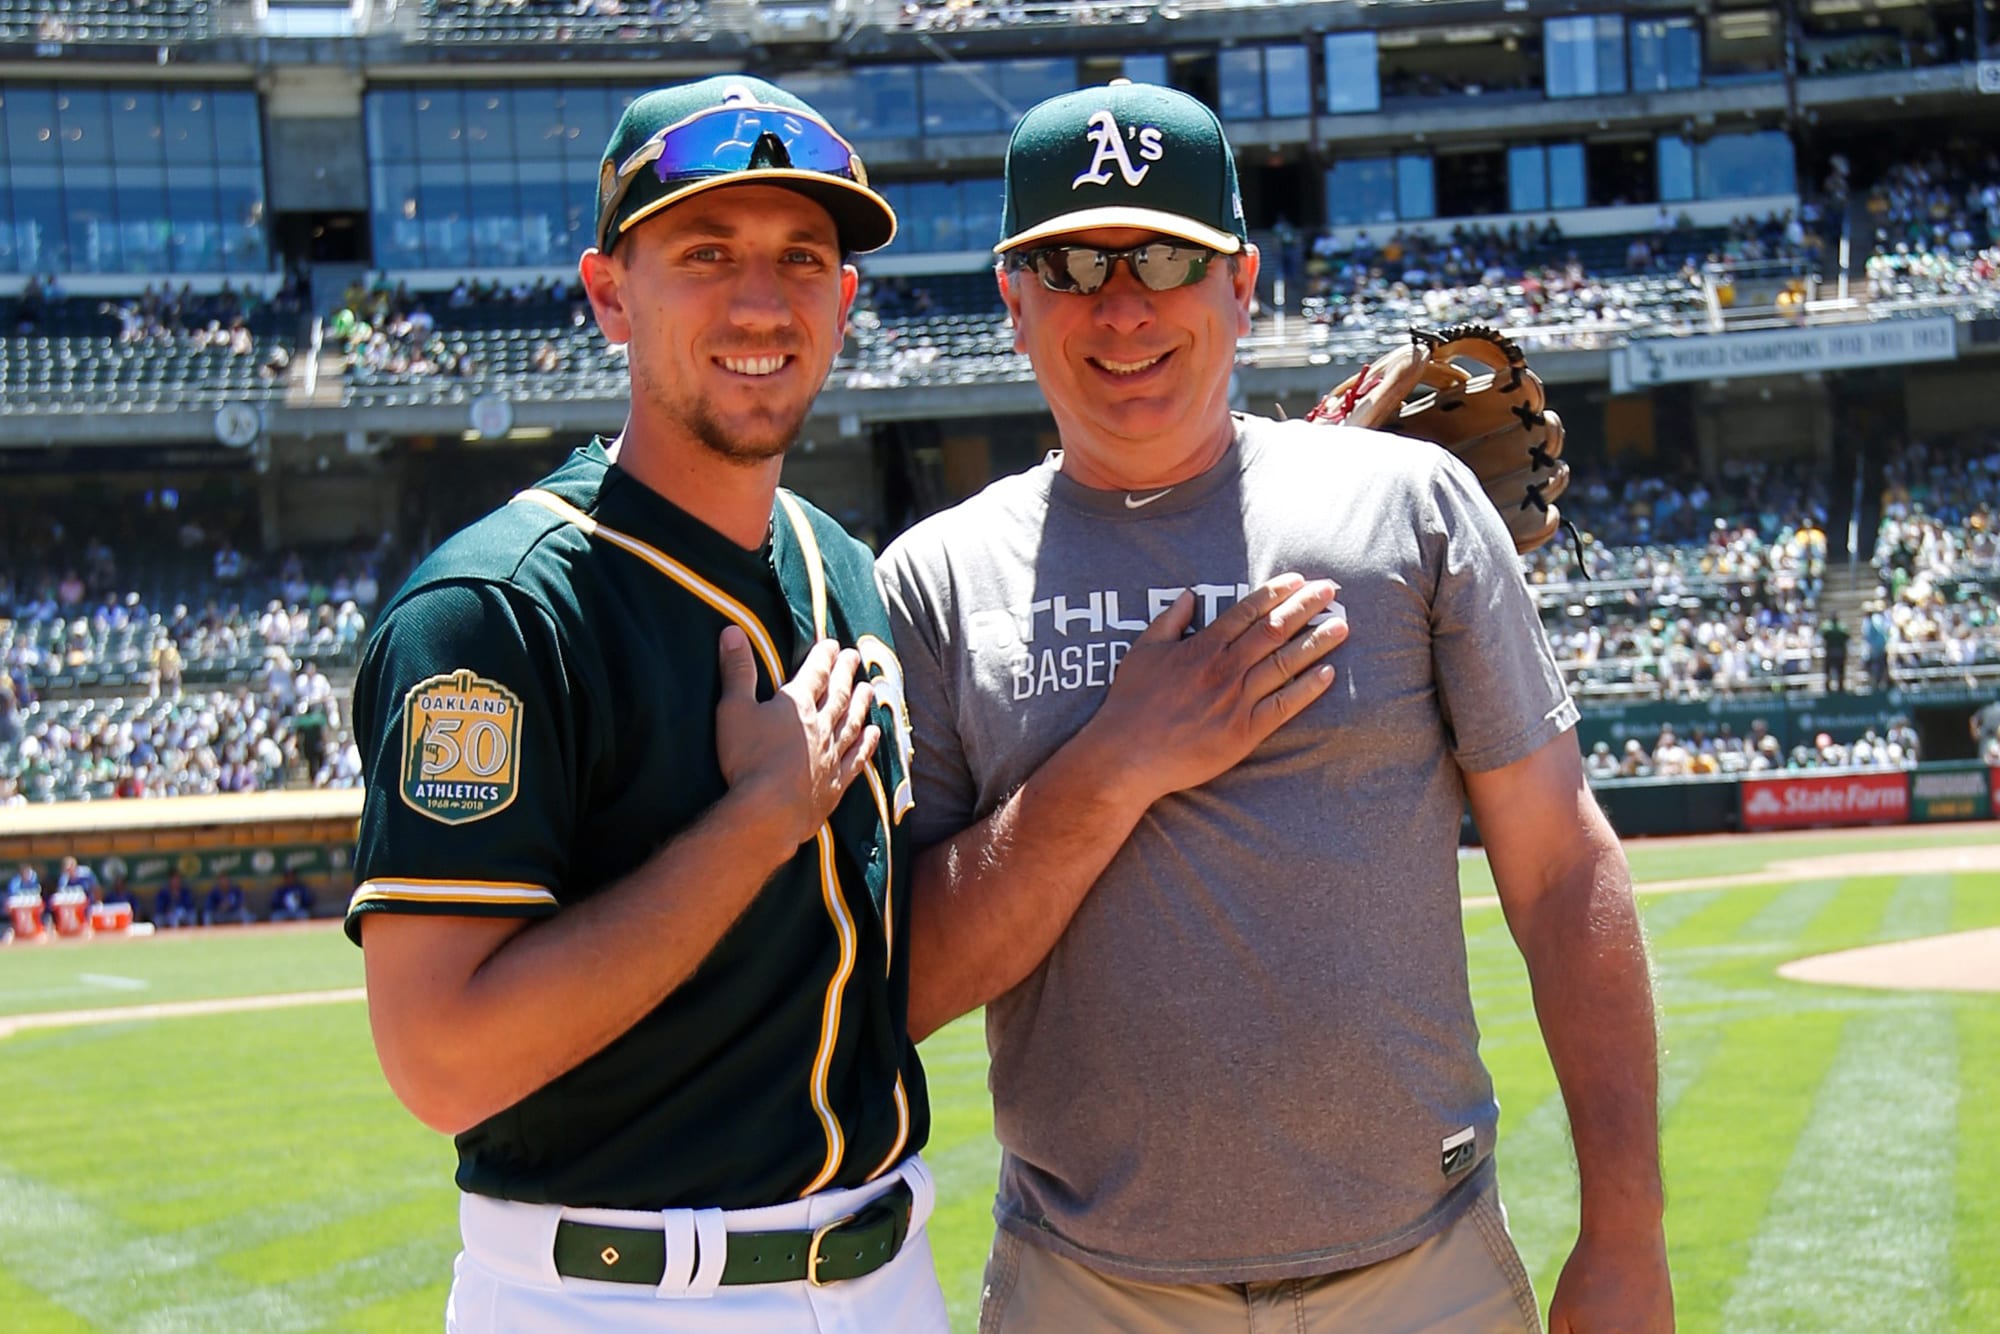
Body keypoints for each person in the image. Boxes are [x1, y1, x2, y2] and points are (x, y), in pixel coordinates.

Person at [876, 80, 1670, 1332]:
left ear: (1241, 284)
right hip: (1088, 1291)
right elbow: (902, 982)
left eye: (1165, 257)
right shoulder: (930, 577)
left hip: (1423, 1276)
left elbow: (1561, 867)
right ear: (1011, 299)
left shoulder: (1407, 504)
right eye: (1073, 262)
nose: (1121, 303)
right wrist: (1115, 767)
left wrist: (1624, 1231)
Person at [346, 76, 945, 1332]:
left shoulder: (840, 566)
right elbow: (440, 1059)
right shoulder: (493, 608)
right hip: (611, 1289)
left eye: (801, 256)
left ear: (844, 301)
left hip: (886, 1273)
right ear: (609, 293)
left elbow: (868, 973)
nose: (759, 299)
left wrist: (1126, 758)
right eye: (704, 250)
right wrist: (752, 824)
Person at [1821, 612, 1850, 693]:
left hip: (1832, 652)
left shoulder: (1827, 627)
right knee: (1837, 672)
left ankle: (1830, 689)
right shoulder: (1841, 627)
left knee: (1831, 672)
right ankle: (1839, 689)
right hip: (1838, 652)